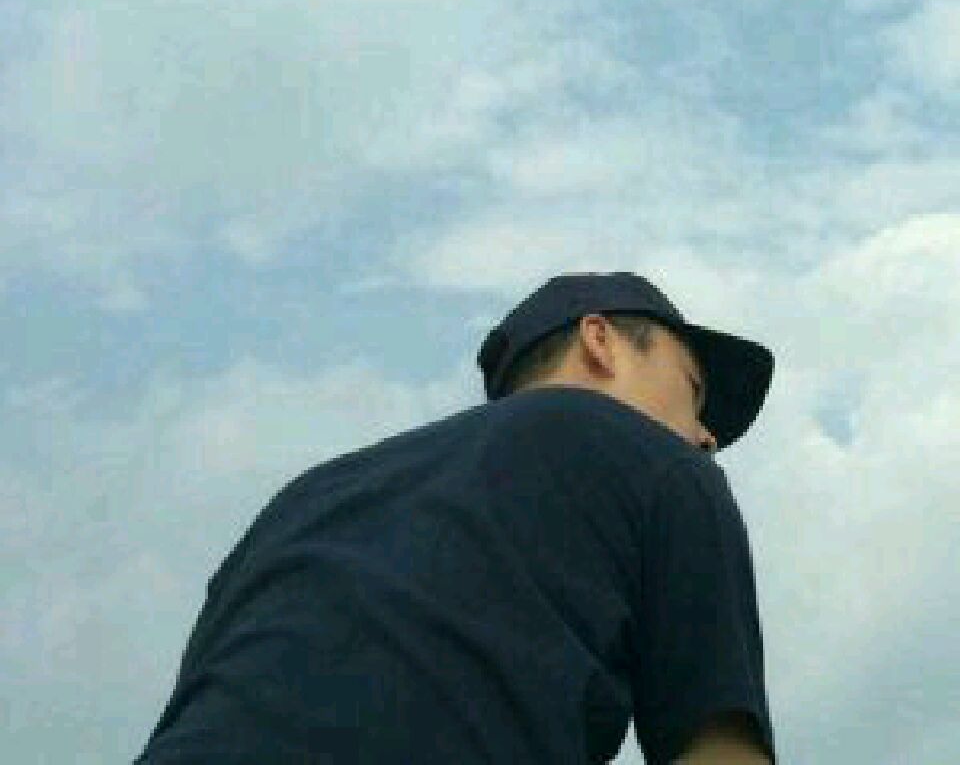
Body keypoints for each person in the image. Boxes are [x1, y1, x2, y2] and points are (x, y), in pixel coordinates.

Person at [133, 272, 777, 763]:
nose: (705, 435)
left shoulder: (305, 497)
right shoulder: (658, 462)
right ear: (600, 341)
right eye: (693, 389)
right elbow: (719, 754)